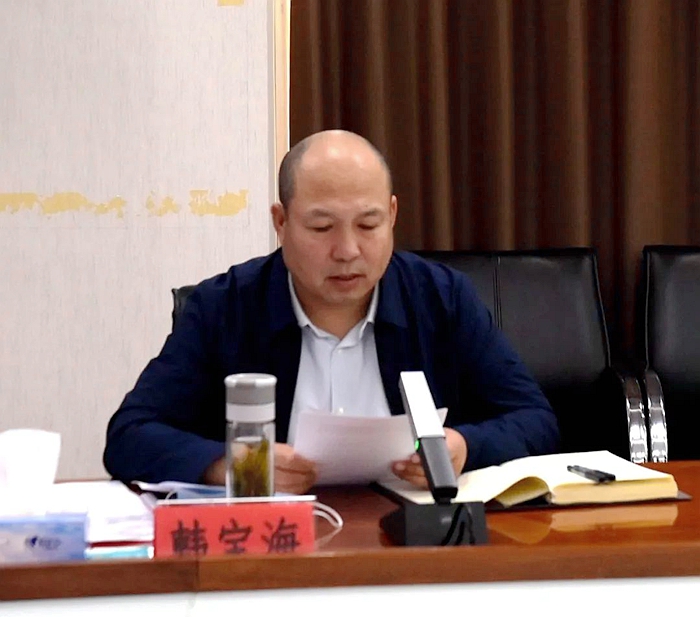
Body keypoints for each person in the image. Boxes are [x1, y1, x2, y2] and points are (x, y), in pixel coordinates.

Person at [103, 130, 559, 493]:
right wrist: (234, 465)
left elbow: (535, 419)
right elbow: (130, 434)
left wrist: (465, 447)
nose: (347, 250)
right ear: (281, 221)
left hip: (414, 539)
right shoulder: (224, 308)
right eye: (322, 227)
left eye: (368, 224)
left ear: (392, 215)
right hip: (275, 546)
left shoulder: (442, 299)